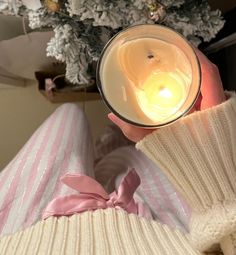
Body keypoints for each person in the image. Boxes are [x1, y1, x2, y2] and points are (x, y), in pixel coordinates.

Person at [0, 50, 235, 254]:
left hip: (21, 234)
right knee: (131, 159)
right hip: (168, 236)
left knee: (70, 116)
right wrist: (219, 186)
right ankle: (110, 145)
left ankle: (107, 149)